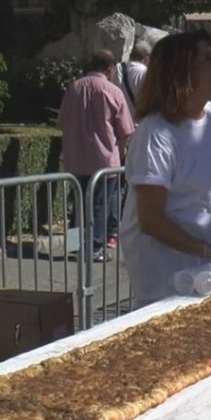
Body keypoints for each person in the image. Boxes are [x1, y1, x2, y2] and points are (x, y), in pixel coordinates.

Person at [119, 30, 211, 307]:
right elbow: (151, 220)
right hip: (160, 271)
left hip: (204, 264)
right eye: (207, 58)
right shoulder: (156, 133)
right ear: (183, 71)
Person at [58, 50, 135, 262]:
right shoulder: (113, 91)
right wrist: (122, 150)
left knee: (77, 205)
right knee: (100, 205)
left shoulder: (73, 88)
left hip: (75, 157)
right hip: (104, 159)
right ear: (109, 69)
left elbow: (62, 121)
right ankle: (95, 248)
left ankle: (75, 247)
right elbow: (126, 129)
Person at [113, 40, 150, 115]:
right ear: (146, 57)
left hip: (116, 115)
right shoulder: (146, 73)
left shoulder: (117, 67)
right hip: (136, 120)